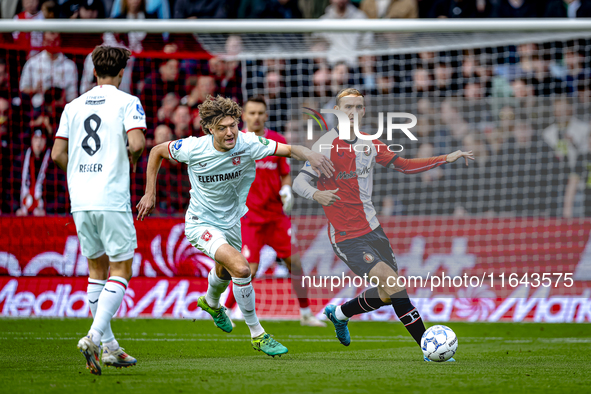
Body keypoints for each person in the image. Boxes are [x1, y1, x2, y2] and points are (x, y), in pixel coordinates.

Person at [136, 95, 333, 357]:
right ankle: (257, 334)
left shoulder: (248, 142)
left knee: (225, 272)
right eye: (222, 128)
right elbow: (156, 151)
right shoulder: (193, 148)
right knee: (241, 268)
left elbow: (286, 150)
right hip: (201, 223)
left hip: (232, 223)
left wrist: (309, 153)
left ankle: (211, 302)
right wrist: (150, 193)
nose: (230, 133)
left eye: (233, 125)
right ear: (209, 129)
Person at [292, 88, 473, 361]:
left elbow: (404, 165)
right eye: (347, 107)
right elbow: (298, 182)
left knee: (388, 294)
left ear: (363, 111)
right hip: (345, 235)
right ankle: (429, 348)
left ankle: (339, 314)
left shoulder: (371, 144)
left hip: (373, 228)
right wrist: (316, 194)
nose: (353, 112)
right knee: (394, 285)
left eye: (358, 107)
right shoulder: (324, 146)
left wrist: (444, 158)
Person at [51, 45, 147, 375]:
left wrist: (77, 174)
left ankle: (110, 348)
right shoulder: (128, 102)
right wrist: (132, 160)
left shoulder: (72, 106)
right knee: (121, 269)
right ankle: (93, 337)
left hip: (80, 197)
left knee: (96, 270)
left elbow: (57, 153)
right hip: (111, 195)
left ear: (94, 71)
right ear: (122, 72)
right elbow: (136, 143)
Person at [223, 96, 326, 327]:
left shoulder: (277, 141)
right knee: (246, 269)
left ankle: (306, 314)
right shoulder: (234, 142)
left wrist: (287, 188)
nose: (256, 117)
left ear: (266, 115)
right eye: (252, 113)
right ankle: (225, 311)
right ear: (244, 116)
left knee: (296, 264)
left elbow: (285, 172)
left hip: (277, 217)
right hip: (250, 218)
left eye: (260, 113)